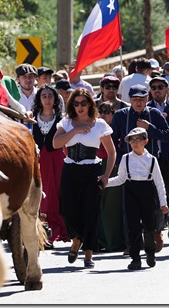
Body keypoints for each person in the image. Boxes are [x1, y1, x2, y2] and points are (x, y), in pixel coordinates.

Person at [52, 88, 116, 268]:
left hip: (91, 171)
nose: (79, 107)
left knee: (90, 212)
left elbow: (111, 153)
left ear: (90, 104)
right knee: (68, 210)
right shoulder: (66, 122)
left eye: (83, 103)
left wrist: (106, 175)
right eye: (76, 103)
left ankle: (88, 254)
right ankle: (75, 240)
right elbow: (55, 143)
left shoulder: (100, 124)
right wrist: (76, 130)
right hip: (70, 169)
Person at [110, 84, 169, 252]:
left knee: (156, 204)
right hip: (129, 167)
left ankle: (156, 232)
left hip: (150, 166)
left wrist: (149, 128)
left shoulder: (154, 114)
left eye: (142, 99)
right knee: (129, 209)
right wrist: (117, 163)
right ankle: (132, 244)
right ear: (129, 100)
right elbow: (113, 140)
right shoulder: (121, 115)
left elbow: (167, 136)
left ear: (147, 99)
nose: (139, 103)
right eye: (135, 99)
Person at [106, 127, 169, 270]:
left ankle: (150, 251)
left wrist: (163, 203)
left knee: (149, 226)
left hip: (147, 191)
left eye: (138, 140)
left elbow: (159, 183)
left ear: (145, 141)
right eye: (132, 140)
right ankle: (135, 258)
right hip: (130, 191)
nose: (135, 143)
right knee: (133, 226)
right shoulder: (126, 158)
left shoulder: (152, 160)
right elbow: (121, 178)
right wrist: (105, 182)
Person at [31, 84, 68, 248]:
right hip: (38, 159)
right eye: (44, 96)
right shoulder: (31, 117)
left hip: (57, 158)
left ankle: (57, 227)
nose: (47, 99)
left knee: (58, 191)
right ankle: (41, 228)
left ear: (55, 99)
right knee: (41, 191)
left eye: (50, 96)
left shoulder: (62, 119)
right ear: (39, 99)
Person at [147, 76, 169, 242]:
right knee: (154, 196)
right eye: (153, 87)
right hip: (152, 158)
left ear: (167, 89)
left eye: (160, 87)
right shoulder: (146, 109)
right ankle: (158, 229)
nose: (156, 90)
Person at [96, 102, 127, 253]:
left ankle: (114, 241)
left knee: (112, 206)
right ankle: (99, 240)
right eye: (100, 111)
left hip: (113, 166)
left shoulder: (116, 129)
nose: (103, 115)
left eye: (107, 112)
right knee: (98, 205)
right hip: (95, 165)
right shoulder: (93, 128)